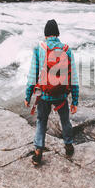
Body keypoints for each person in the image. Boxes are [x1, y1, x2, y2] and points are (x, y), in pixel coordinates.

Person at [24, 19, 79, 166]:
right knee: (65, 120)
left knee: (41, 121)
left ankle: (38, 152)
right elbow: (73, 76)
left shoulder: (39, 48)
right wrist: (75, 100)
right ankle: (68, 145)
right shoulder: (67, 49)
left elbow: (32, 75)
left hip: (44, 94)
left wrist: (28, 95)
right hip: (61, 94)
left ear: (45, 34)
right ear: (58, 33)